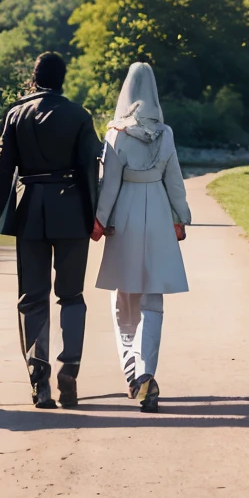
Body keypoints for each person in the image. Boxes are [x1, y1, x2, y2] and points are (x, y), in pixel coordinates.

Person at [0, 51, 101, 409]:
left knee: (32, 298)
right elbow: (92, 170)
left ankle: (40, 381)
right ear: (64, 80)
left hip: (30, 209)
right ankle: (71, 369)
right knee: (72, 295)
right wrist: (97, 216)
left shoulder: (17, 114)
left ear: (33, 79)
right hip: (72, 212)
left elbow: (2, 171)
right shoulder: (80, 116)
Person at [92, 61, 190, 412]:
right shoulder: (166, 134)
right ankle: (147, 373)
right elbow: (175, 181)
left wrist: (99, 221)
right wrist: (181, 217)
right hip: (160, 215)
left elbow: (109, 186)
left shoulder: (115, 134)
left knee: (124, 301)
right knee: (153, 303)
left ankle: (133, 374)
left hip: (126, 218)